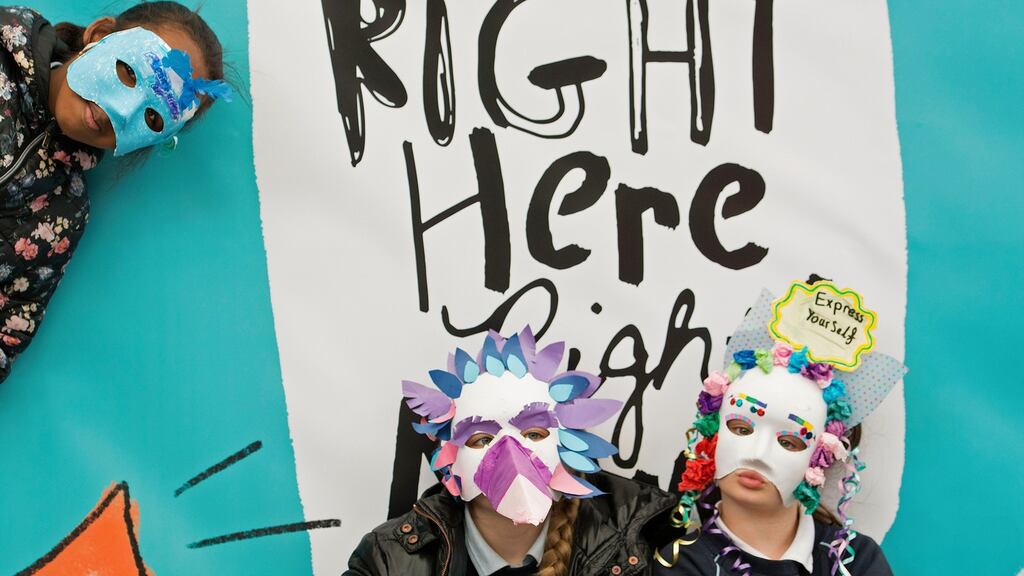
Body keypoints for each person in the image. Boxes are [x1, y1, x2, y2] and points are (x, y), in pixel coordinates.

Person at [0, 2, 231, 383]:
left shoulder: (63, 216)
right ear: (100, 35)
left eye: (153, 116)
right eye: (129, 72)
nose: (121, 111)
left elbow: (9, 332)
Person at [345, 328, 683, 576]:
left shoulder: (643, 533)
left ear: (567, 447)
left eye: (534, 434)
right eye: (481, 439)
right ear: (451, 462)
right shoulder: (387, 559)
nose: (511, 456)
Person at [654, 285, 905, 576]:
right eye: (741, 428)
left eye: (789, 441)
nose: (757, 455)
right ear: (712, 432)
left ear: (821, 457)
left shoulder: (853, 560)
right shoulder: (681, 565)